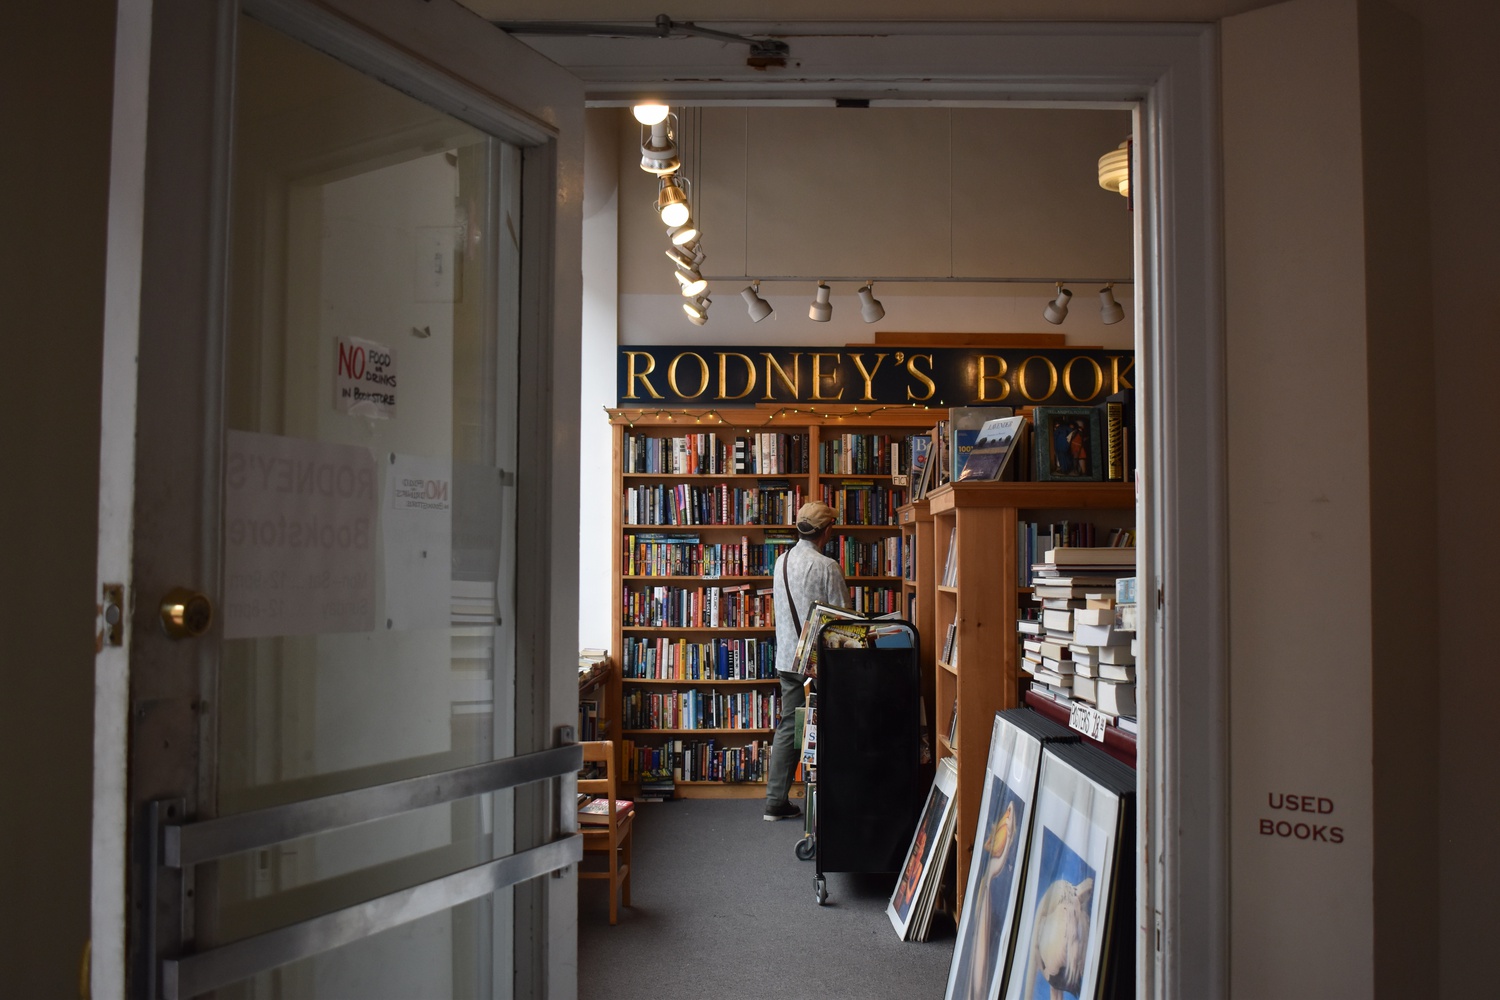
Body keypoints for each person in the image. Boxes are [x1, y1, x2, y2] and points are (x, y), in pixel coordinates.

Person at [764, 500, 849, 821]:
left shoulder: (780, 562)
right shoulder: (827, 566)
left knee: (789, 726)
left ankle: (774, 802)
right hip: (820, 663)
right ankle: (832, 798)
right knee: (831, 725)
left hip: (787, 658)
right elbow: (844, 619)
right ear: (827, 531)